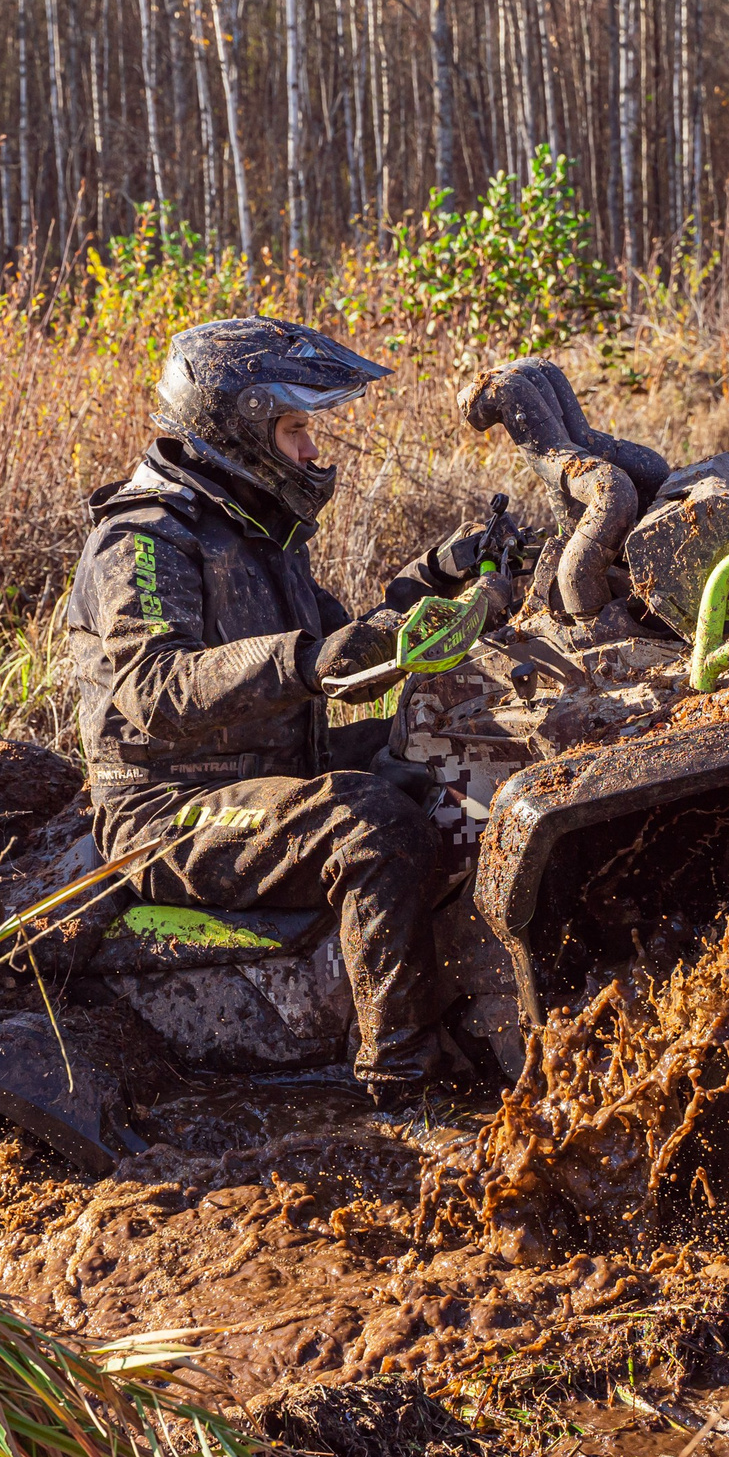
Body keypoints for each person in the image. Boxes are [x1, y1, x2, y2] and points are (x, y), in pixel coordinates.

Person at [64, 317, 486, 1093]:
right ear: (238, 428)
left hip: (274, 767)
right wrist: (303, 662)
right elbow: (154, 686)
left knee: (450, 742)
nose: (311, 450)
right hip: (164, 811)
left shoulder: (252, 524)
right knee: (372, 826)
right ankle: (403, 1082)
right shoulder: (143, 538)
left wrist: (437, 575)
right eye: (296, 430)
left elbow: (346, 645)